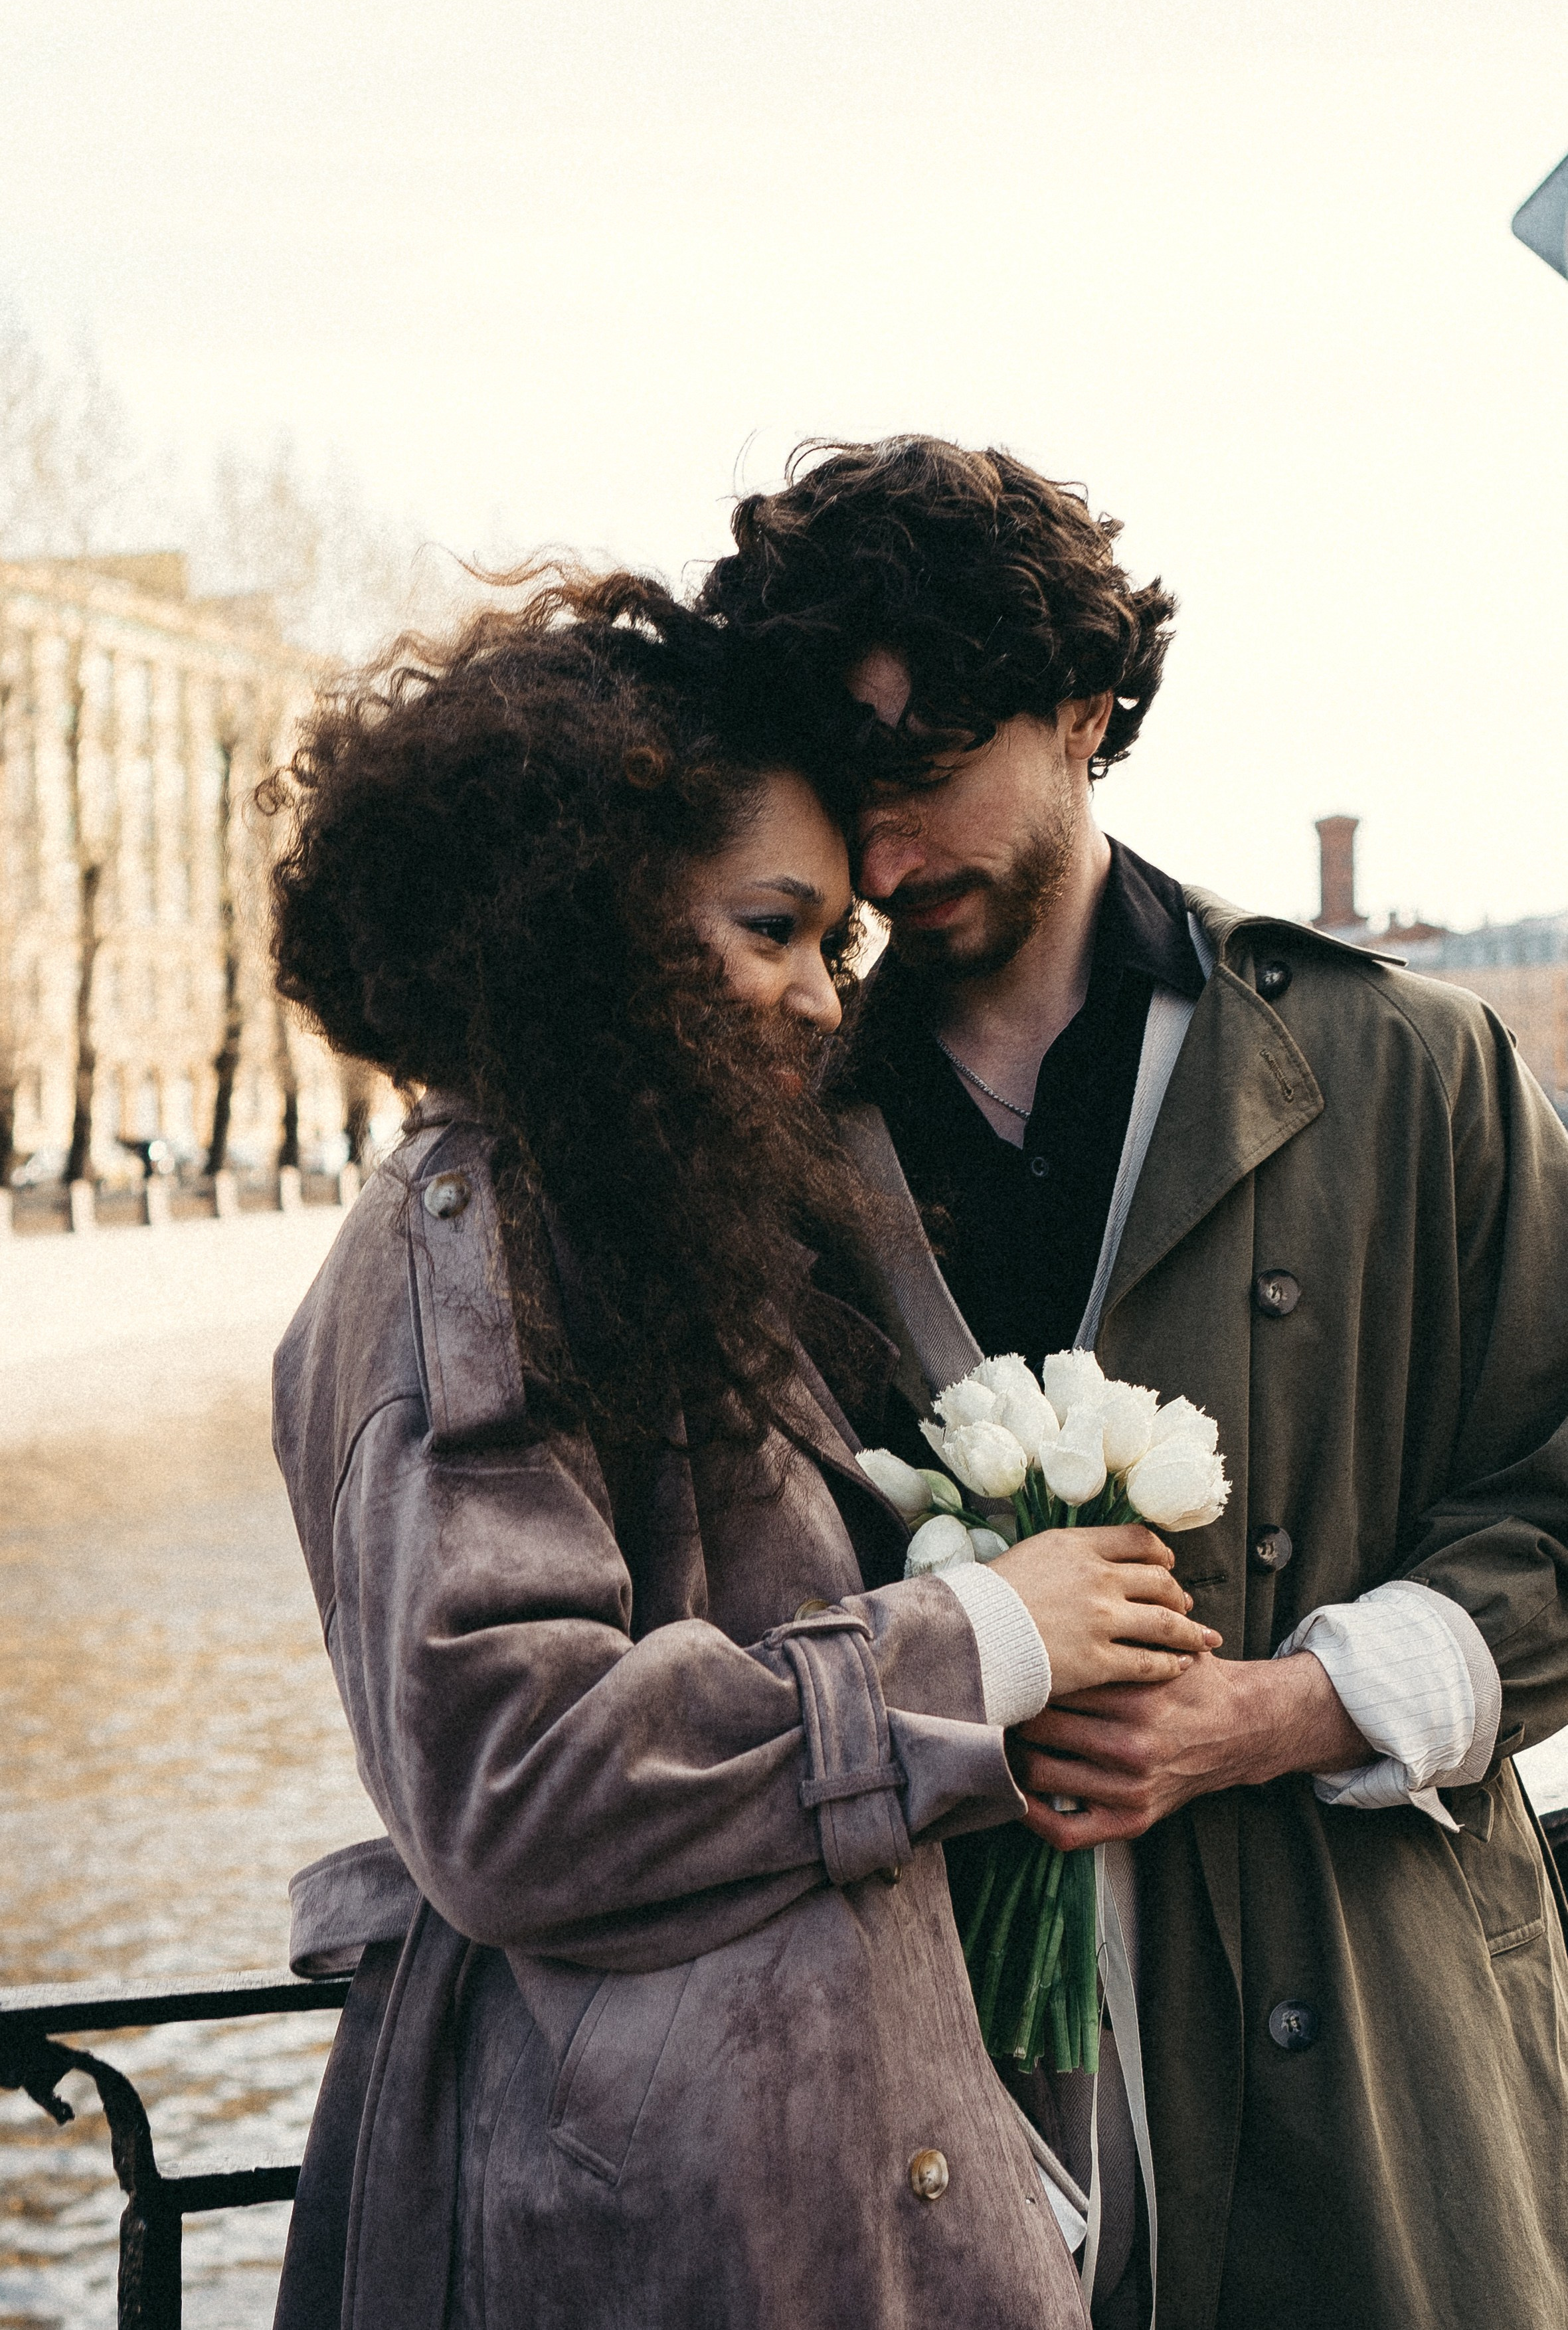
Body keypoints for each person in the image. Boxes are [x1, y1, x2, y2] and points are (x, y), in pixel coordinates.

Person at [263, 571, 1217, 2330]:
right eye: (769, 929)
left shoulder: (628, 1225)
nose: (815, 996)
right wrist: (984, 1638)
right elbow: (512, 1785)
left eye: (831, 946)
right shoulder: (469, 1256)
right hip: (666, 2227)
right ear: (585, 925)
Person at [698, 437, 1568, 2330]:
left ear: (1086, 712)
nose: (887, 852)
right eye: (850, 789)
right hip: (906, 2092)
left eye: (926, 772)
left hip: (1360, 2078)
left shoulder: (1411, 1067)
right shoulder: (744, 1122)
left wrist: (1275, 1712)